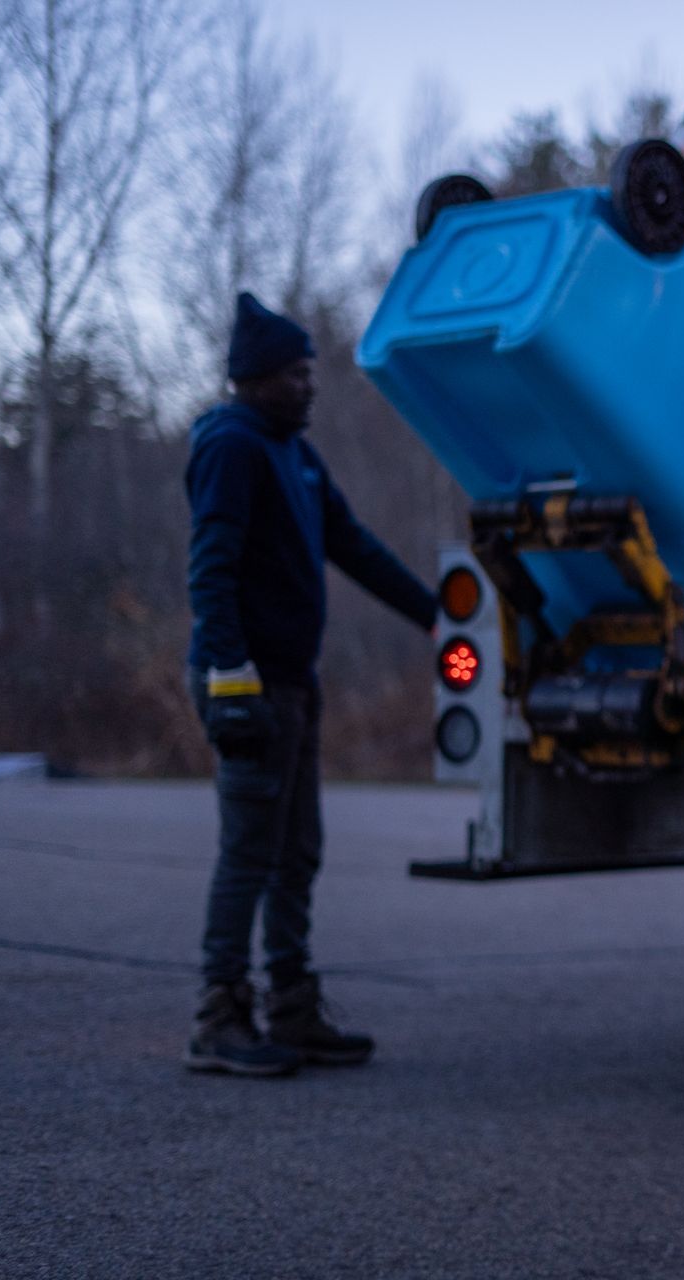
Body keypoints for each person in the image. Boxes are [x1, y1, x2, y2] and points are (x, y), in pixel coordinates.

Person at [183, 293, 436, 1076]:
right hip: (249, 684)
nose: (310, 385)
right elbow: (211, 568)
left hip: (295, 682)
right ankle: (220, 1016)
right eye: (297, 373)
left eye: (309, 371)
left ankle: (291, 1008)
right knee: (250, 851)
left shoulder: (295, 453)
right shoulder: (233, 445)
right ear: (257, 377)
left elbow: (353, 545)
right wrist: (232, 683)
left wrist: (437, 618)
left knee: (298, 851)